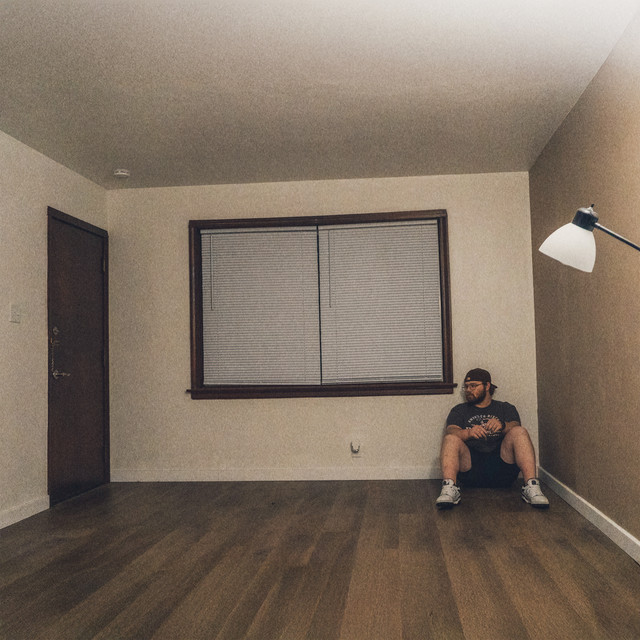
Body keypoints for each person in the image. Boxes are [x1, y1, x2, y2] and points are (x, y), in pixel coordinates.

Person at [436, 368, 549, 509]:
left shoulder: (505, 408)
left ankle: (532, 486)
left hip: (502, 468)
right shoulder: (459, 410)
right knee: (450, 439)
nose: (468, 390)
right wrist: (469, 432)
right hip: (471, 470)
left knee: (519, 432)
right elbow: (451, 430)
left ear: (487, 386)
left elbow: (515, 425)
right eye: (466, 386)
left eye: (473, 386)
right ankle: (449, 488)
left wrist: (502, 425)